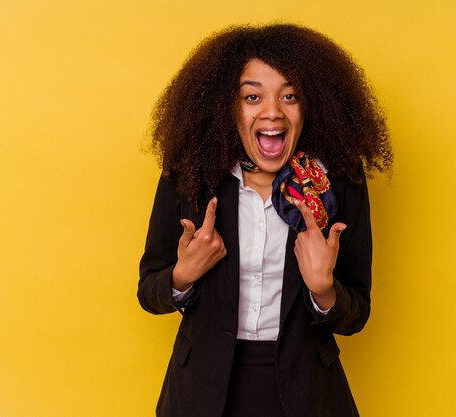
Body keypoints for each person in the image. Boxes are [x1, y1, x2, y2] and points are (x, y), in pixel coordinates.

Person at [138, 23, 392, 417]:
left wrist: (324, 289)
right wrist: (183, 275)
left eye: (290, 96)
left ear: (312, 105)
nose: (272, 111)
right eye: (252, 96)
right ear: (227, 106)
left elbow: (355, 313)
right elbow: (149, 293)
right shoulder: (188, 176)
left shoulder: (338, 184)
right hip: (201, 394)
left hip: (308, 394)